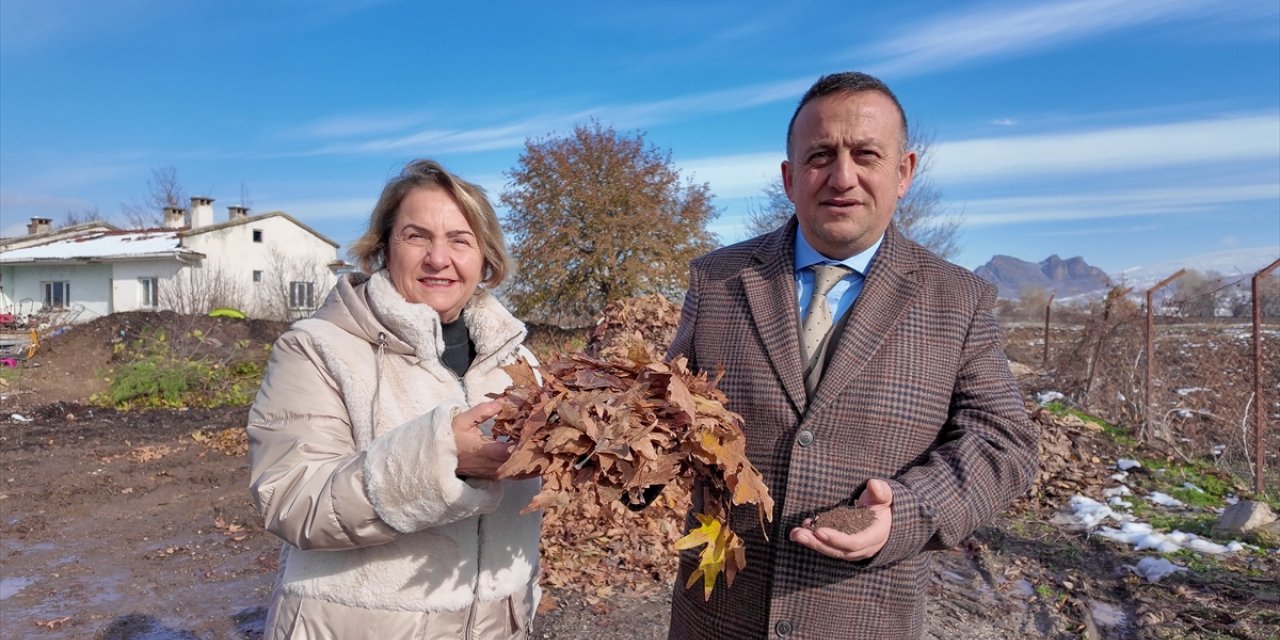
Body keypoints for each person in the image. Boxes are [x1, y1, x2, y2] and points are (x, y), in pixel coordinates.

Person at [664, 72, 1040, 639]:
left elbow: (1004, 441)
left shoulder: (957, 299)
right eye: (820, 156)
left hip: (864, 619)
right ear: (790, 178)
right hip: (717, 616)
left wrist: (907, 513)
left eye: (866, 154)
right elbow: (666, 409)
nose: (843, 177)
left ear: (904, 172)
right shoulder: (718, 279)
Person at [247, 159, 541, 639]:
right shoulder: (318, 348)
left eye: (460, 240)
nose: (438, 258)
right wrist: (445, 463)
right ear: (384, 248)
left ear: (486, 261)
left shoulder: (518, 361)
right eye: (417, 236)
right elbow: (288, 498)